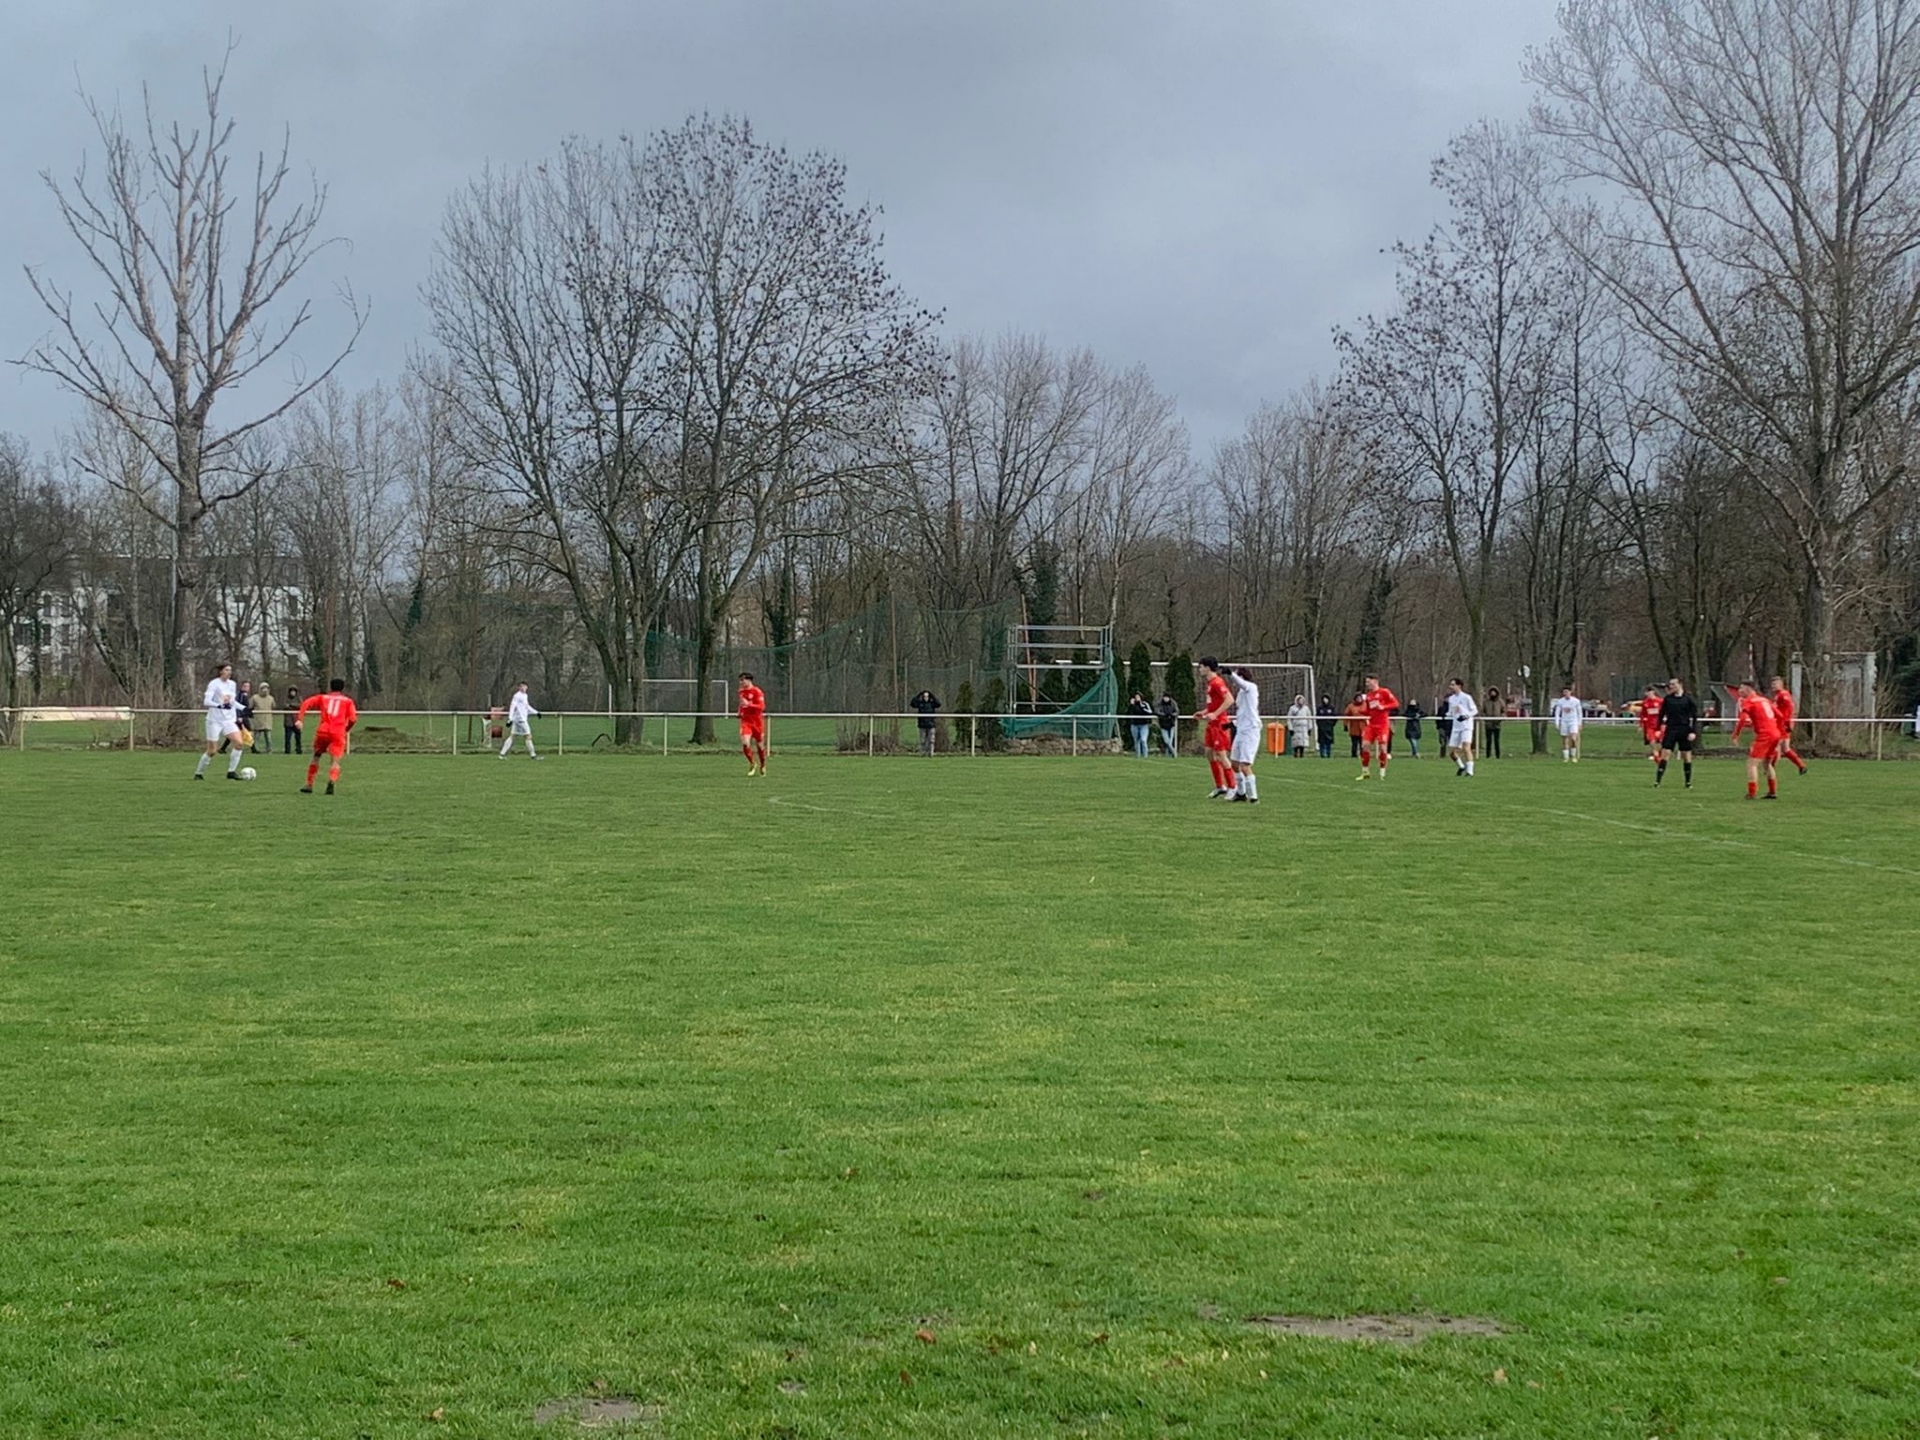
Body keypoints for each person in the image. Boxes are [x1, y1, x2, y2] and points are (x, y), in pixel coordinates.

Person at [297, 678, 358, 795]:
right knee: (335, 760)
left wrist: (300, 719)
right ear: (342, 688)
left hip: (323, 731)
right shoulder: (348, 701)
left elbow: (306, 703)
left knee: (316, 756)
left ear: (331, 687)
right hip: (338, 732)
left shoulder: (323, 698)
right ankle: (332, 780)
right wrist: (346, 729)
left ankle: (309, 784)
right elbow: (353, 719)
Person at [194, 663, 247, 781]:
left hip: (228, 720)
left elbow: (232, 701)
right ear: (221, 672)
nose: (229, 672)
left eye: (230, 670)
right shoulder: (214, 684)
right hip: (214, 721)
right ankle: (198, 773)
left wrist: (244, 708)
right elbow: (207, 701)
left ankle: (231, 772)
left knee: (239, 743)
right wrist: (220, 706)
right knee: (212, 751)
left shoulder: (232, 684)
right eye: (226, 670)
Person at [1732, 681, 1784, 800]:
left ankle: (1752, 793)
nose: (1739, 691)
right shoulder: (1764, 700)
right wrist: (1778, 730)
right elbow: (1780, 716)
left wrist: (1735, 734)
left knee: (1752, 764)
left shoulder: (1749, 701)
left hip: (1765, 735)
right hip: (1775, 734)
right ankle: (1772, 792)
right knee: (1767, 763)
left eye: (1741, 688)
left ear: (1748, 689)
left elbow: (1742, 719)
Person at [1197, 657, 1235, 798]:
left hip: (1220, 723)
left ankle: (1233, 787)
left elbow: (1230, 700)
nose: (1199, 670)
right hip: (1212, 724)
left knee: (1221, 755)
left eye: (1201, 667)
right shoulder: (1210, 683)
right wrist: (1204, 712)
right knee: (1209, 753)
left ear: (1207, 668)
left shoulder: (1217, 682)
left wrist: (1215, 714)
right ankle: (1220, 786)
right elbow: (1214, 704)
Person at [1654, 677, 1699, 788]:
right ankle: (1657, 781)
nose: (1671, 686)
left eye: (1673, 684)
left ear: (1680, 685)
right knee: (1665, 754)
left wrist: (1693, 731)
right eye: (1670, 684)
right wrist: (1658, 729)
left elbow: (1695, 717)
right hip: (1671, 729)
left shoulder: (1688, 699)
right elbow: (1661, 715)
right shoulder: (1668, 699)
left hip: (1684, 729)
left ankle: (1688, 783)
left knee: (1686, 756)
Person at [1227, 667, 1261, 802]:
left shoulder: (1251, 687)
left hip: (1251, 730)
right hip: (1241, 729)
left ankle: (1254, 797)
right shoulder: (1241, 693)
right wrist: (1232, 723)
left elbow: (1242, 684)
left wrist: (1230, 674)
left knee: (1245, 765)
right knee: (1234, 763)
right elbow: (1242, 712)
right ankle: (1241, 793)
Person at [1357, 676, 1399, 780]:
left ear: (1375, 681)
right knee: (1365, 746)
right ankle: (1365, 772)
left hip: (1382, 725)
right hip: (1371, 725)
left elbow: (1395, 703)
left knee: (1382, 748)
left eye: (1368, 682)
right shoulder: (1369, 696)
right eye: (1366, 682)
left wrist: (1383, 707)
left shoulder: (1384, 692)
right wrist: (1361, 711)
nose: (1367, 684)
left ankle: (1382, 773)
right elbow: (1369, 711)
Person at [1769, 676, 1808, 775]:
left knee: (1776, 746)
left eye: (1775, 684)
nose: (1773, 686)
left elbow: (1790, 708)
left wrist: (1788, 723)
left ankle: (1770, 768)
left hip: (1782, 725)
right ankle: (1801, 765)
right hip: (1781, 724)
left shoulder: (1783, 694)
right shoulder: (1778, 695)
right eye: (1772, 684)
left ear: (1781, 684)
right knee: (1785, 748)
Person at [1443, 679, 1478, 776]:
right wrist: (1445, 714)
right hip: (1456, 727)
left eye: (1453, 685)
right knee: (1451, 752)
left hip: (1466, 726)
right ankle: (1461, 766)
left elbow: (1474, 711)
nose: (1451, 687)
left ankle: (1470, 771)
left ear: (1459, 686)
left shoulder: (1467, 697)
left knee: (1466, 747)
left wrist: (1466, 716)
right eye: (1451, 685)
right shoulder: (1451, 699)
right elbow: (1451, 712)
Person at [499, 682, 542, 760]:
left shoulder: (525, 696)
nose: (523, 688)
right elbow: (512, 706)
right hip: (520, 720)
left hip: (519, 720)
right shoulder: (517, 696)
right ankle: (533, 755)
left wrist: (536, 712)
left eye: (524, 686)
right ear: (519, 688)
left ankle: (502, 754)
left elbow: (527, 707)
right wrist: (510, 719)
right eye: (521, 686)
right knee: (528, 736)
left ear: (527, 687)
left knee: (512, 736)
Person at [738, 671, 768, 775]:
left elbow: (762, 707)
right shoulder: (741, 692)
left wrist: (749, 704)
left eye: (743, 680)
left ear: (749, 680)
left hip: (757, 722)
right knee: (745, 743)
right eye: (740, 680)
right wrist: (740, 712)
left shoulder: (757, 691)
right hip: (746, 721)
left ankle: (763, 765)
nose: (741, 682)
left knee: (760, 746)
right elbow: (741, 704)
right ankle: (752, 763)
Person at [1550, 686, 1584, 762]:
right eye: (1564, 692)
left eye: (1567, 692)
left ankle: (1573, 756)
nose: (1566, 693)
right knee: (1565, 740)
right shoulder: (1560, 702)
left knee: (1573, 738)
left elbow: (1579, 713)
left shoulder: (1576, 701)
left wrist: (1580, 723)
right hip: (1564, 721)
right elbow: (1557, 713)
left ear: (1570, 692)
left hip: (1573, 721)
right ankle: (1566, 757)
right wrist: (1557, 723)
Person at [1636, 685, 1664, 763]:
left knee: (1662, 741)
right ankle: (1656, 755)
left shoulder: (1660, 701)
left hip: (1659, 724)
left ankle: (1660, 753)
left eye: (1649, 692)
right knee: (1651, 740)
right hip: (1649, 725)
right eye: (1646, 692)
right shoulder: (1645, 703)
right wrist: (1640, 724)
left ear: (1653, 692)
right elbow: (1643, 714)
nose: (1648, 694)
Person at [910, 688, 942, 756]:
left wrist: (932, 695)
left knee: (931, 740)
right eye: (924, 696)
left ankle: (931, 753)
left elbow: (938, 704)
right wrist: (919, 694)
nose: (926, 698)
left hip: (931, 724)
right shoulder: (920, 703)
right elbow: (912, 703)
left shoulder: (932, 704)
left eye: (927, 696)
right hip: (922, 725)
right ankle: (923, 753)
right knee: (923, 740)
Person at [1124, 692, 1152, 758]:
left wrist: (1142, 707)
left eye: (1138, 697)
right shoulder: (1132, 705)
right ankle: (1138, 756)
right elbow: (1128, 713)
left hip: (1143, 725)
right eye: (1136, 697)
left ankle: (1145, 756)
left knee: (1143, 740)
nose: (1137, 698)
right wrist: (1131, 705)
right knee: (1136, 741)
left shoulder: (1145, 704)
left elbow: (1150, 712)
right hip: (1134, 725)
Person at [1342, 693, 1368, 759]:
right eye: (1357, 698)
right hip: (1354, 728)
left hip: (1363, 728)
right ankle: (1354, 755)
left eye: (1360, 698)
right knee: (1354, 743)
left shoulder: (1365, 705)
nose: (1359, 699)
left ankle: (1363, 755)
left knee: (1363, 743)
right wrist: (1345, 725)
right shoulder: (1351, 706)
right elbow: (1346, 715)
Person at [251, 683, 275, 753]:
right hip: (258, 720)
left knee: (268, 737)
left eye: (266, 688)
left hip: (267, 720)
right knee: (256, 737)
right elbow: (250, 706)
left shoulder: (271, 698)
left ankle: (269, 750)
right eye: (263, 688)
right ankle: (255, 749)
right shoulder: (255, 697)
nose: (265, 690)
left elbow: (273, 706)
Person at [282, 685, 303, 754]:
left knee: (298, 737)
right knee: (288, 738)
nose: (293, 693)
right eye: (291, 691)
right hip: (288, 721)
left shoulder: (299, 698)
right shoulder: (286, 698)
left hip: (297, 721)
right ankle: (287, 750)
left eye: (294, 691)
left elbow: (301, 706)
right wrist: (293, 706)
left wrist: (291, 705)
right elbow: (285, 706)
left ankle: (299, 750)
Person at [1483, 688, 1504, 759]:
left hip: (1497, 724)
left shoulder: (1500, 702)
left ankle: (1498, 755)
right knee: (1488, 741)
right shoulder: (1486, 702)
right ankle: (1488, 755)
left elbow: (1503, 711)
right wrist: (1486, 720)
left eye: (1494, 692)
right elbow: (1483, 711)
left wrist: (1500, 719)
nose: (1493, 693)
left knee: (1496, 741)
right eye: (1491, 692)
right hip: (1488, 724)